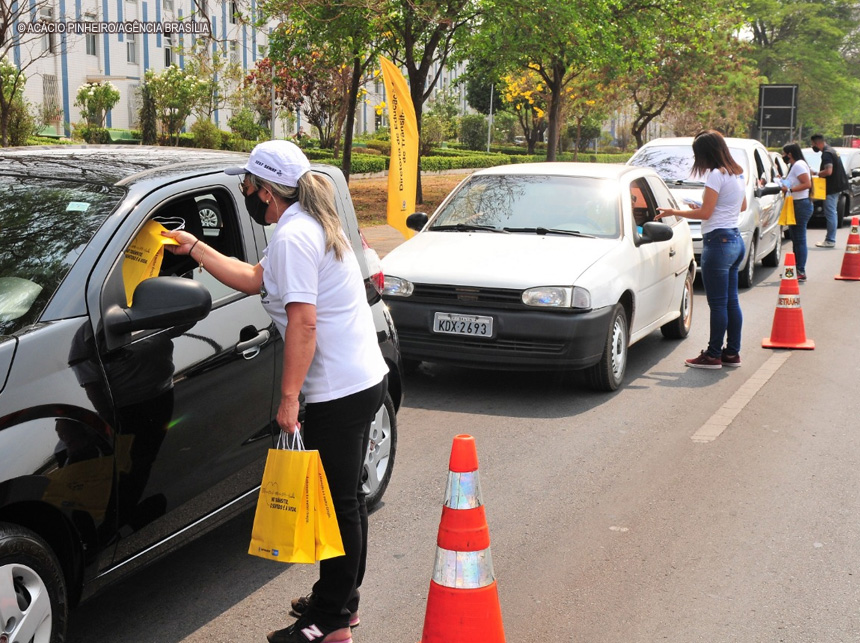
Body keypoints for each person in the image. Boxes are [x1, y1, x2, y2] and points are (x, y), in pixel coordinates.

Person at [164, 140, 388, 643]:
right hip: (361, 379)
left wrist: (289, 400)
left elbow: (303, 325)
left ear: (266, 191)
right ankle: (341, 602)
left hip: (338, 390)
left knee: (339, 505)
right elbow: (254, 280)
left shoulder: (293, 237)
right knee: (346, 499)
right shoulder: (307, 226)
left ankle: (329, 622)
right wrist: (195, 248)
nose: (244, 191)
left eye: (247, 184)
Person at [655, 130, 747, 369]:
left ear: (706, 153)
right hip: (735, 241)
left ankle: (713, 354)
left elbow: (705, 214)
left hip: (718, 243)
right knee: (731, 302)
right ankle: (731, 353)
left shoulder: (716, 175)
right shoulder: (737, 173)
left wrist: (674, 212)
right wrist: (702, 205)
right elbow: (740, 205)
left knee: (717, 304)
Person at [780, 143, 813, 281]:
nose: (783, 156)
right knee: (796, 238)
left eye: (784, 153)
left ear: (790, 154)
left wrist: (790, 190)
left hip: (800, 204)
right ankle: (794, 269)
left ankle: (800, 270)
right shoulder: (796, 165)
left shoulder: (798, 165)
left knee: (799, 239)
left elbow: (807, 184)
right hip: (795, 204)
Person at [810, 133, 848, 248]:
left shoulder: (827, 154)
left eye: (813, 144)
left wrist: (817, 173)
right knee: (832, 212)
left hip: (831, 188)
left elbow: (828, 171)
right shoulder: (832, 150)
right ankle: (830, 239)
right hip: (837, 186)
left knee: (830, 213)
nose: (813, 147)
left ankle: (830, 240)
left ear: (817, 143)